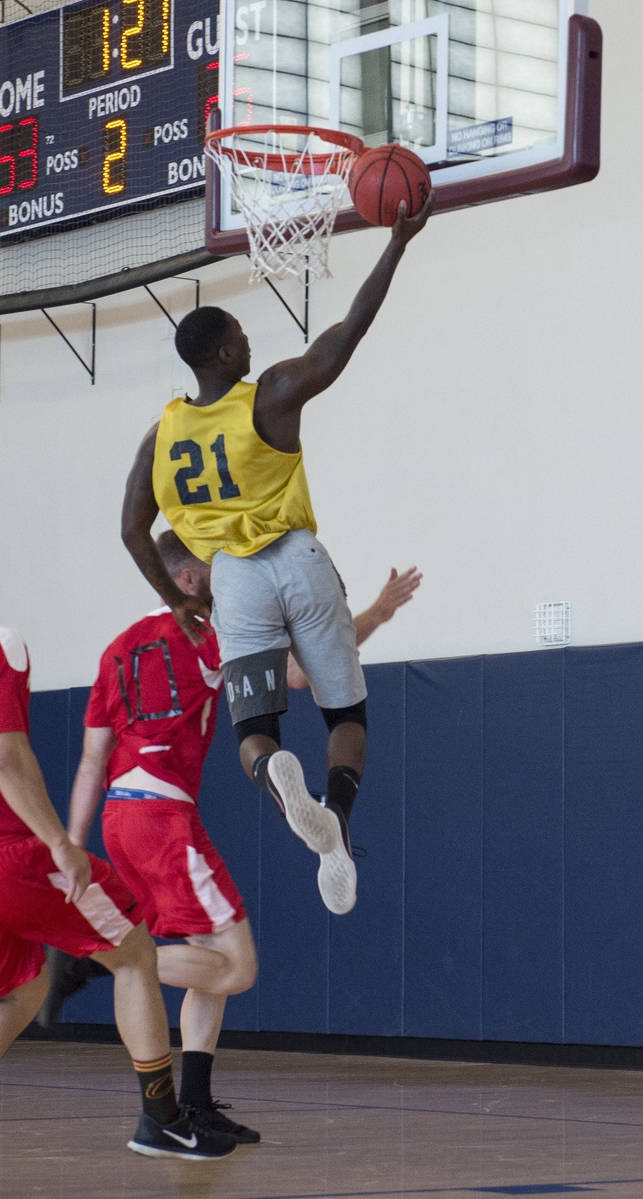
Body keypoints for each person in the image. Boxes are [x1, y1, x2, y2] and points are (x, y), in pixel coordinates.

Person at [0, 506, 237, 1195]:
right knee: (134, 952)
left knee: (20, 988)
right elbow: (5, 757)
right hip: (10, 853)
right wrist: (58, 842)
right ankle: (160, 1117)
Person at [46, 532, 421, 1140]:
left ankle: (194, 1103)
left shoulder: (117, 651)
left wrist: (72, 850)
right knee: (236, 966)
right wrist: (375, 613)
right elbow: (301, 674)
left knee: (208, 966)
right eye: (213, 567)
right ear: (188, 581)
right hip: (163, 817)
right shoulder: (206, 630)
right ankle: (97, 958)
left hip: (120, 816)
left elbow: (92, 761)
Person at [120, 197, 433, 917]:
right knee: (345, 713)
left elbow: (134, 532)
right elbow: (346, 333)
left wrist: (179, 602)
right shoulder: (269, 398)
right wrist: (398, 244)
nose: (248, 344)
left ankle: (286, 785)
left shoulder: (161, 436)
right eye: (240, 336)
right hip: (295, 557)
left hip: (231, 579)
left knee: (254, 730)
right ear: (227, 353)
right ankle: (339, 820)